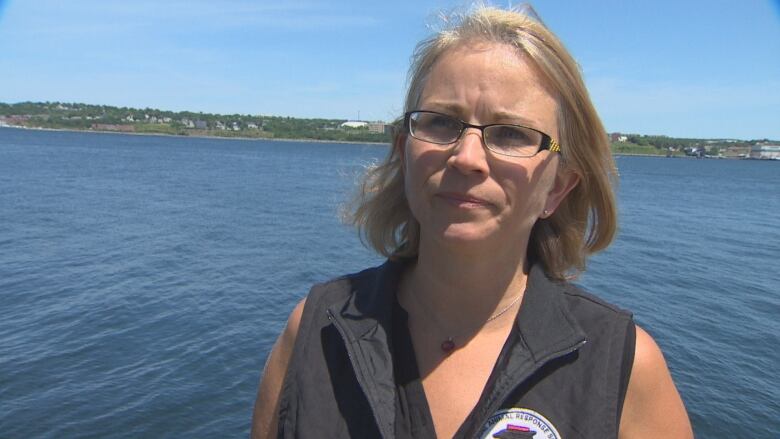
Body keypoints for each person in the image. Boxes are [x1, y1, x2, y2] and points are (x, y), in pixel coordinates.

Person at [252, 5, 692, 439]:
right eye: (442, 123)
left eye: (512, 133)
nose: (466, 157)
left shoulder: (622, 369)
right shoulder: (318, 331)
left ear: (557, 188)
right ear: (404, 153)